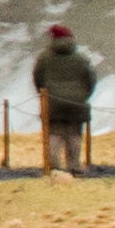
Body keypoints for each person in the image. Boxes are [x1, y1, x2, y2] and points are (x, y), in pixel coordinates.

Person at [33, 21, 98, 176]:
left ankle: (54, 167)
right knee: (74, 134)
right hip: (76, 102)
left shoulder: (44, 58)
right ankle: (74, 166)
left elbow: (38, 78)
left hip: (53, 102)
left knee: (54, 133)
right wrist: (82, 95)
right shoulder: (80, 58)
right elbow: (90, 79)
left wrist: (45, 96)